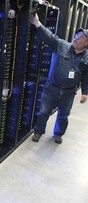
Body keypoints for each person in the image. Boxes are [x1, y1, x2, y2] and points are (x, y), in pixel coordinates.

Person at [30, 13, 88, 144]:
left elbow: (86, 76)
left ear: (86, 43)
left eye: (81, 38)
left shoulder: (87, 58)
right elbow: (50, 37)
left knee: (64, 115)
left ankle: (58, 134)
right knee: (43, 112)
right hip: (52, 88)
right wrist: (37, 23)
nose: (76, 38)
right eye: (77, 35)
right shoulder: (61, 45)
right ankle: (38, 131)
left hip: (69, 92)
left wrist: (85, 92)